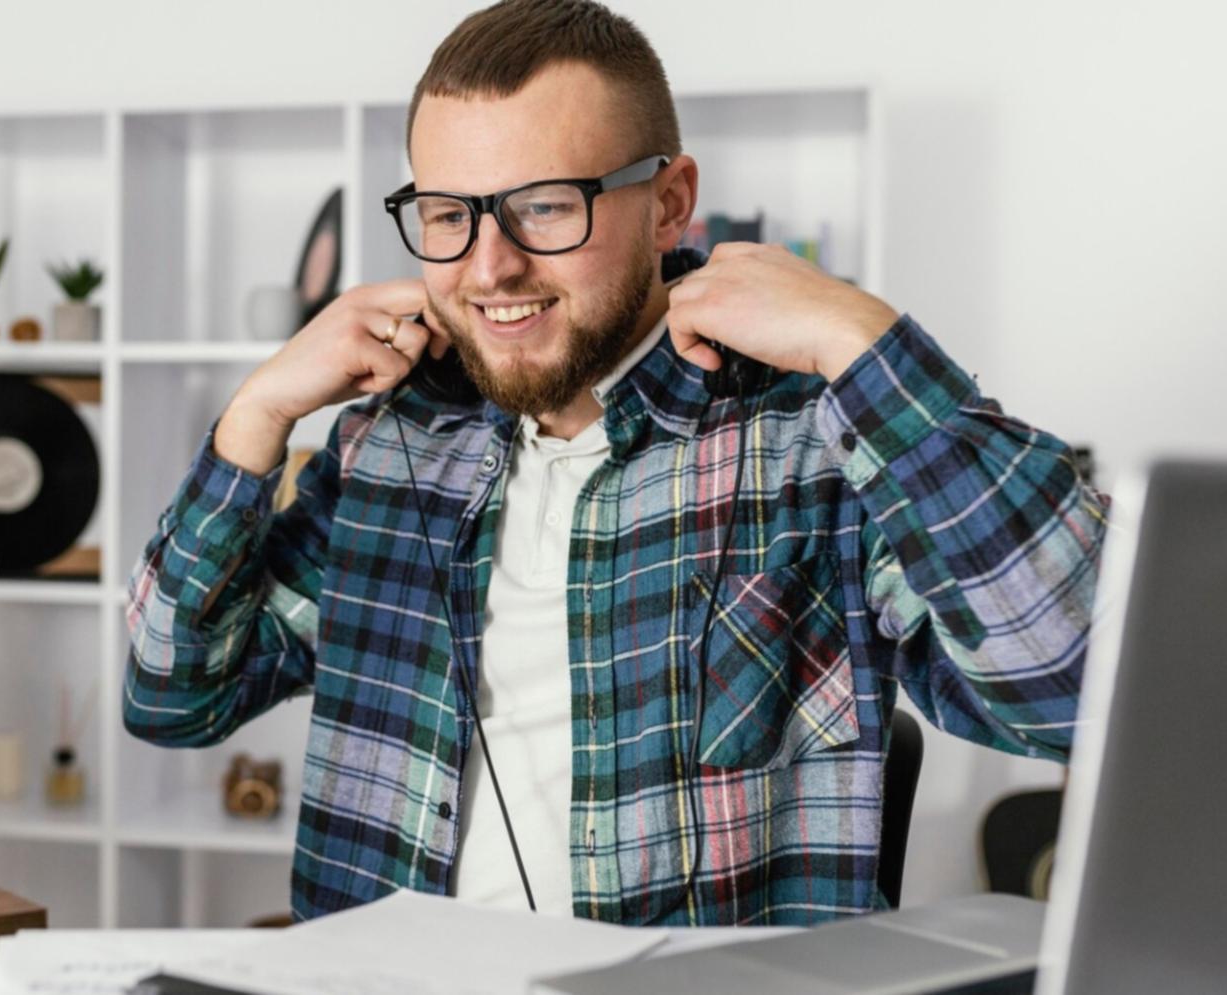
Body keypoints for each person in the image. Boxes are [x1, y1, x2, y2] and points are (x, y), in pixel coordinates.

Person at [123, 0, 1107, 927]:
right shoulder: (391, 443)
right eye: (446, 213)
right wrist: (254, 415)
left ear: (668, 203)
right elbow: (173, 698)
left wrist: (862, 342)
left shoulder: (812, 437)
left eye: (545, 206)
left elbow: (1076, 689)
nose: (488, 267)